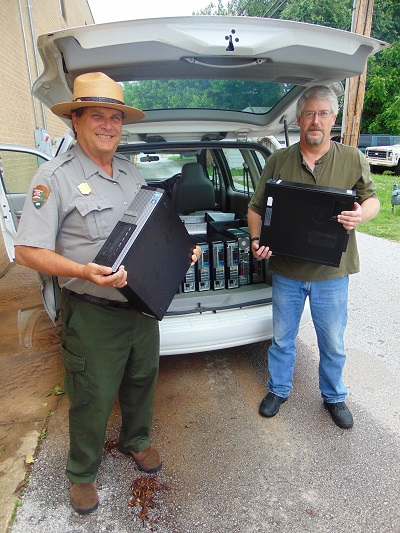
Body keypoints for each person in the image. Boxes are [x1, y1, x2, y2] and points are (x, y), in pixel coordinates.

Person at [14, 72, 201, 515]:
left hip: (140, 306)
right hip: (93, 312)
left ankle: (136, 440)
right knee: (91, 393)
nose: (108, 125)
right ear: (75, 120)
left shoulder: (131, 172)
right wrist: (83, 270)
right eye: (97, 115)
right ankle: (82, 472)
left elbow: (149, 231)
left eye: (115, 117)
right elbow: (25, 251)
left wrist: (180, 251)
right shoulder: (53, 177)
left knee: (142, 379)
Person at [248, 85, 380, 430]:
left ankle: (334, 396)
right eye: (309, 113)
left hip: (331, 275)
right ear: (299, 118)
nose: (315, 120)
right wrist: (257, 238)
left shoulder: (353, 158)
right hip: (288, 272)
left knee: (333, 341)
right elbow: (255, 208)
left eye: (322, 113)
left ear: (333, 119)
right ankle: (278, 389)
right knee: (282, 339)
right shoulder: (279, 160)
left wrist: (359, 216)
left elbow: (372, 200)